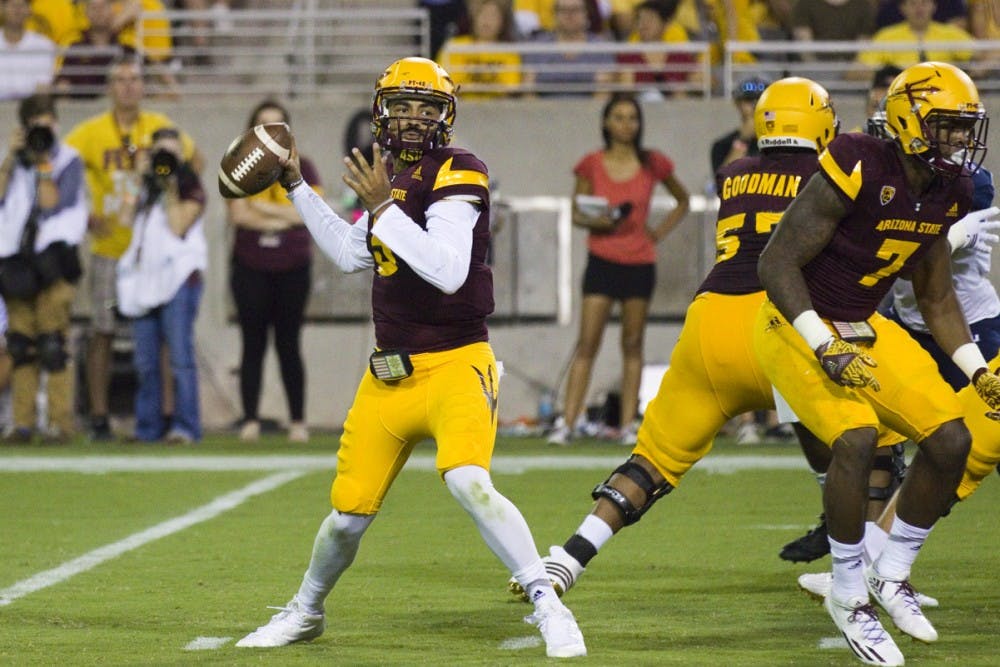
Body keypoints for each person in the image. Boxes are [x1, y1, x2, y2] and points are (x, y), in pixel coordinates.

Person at [236, 56, 587, 659]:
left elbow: (447, 271)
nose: (414, 118)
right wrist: (296, 186)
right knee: (347, 516)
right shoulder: (391, 178)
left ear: (446, 117)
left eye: (427, 107)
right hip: (390, 374)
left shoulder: (460, 168)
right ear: (382, 112)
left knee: (469, 481)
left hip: (456, 362)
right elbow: (352, 254)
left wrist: (381, 207)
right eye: (402, 106)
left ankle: (549, 604)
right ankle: (306, 611)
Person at [508, 77, 841, 611]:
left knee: (651, 461)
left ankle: (569, 558)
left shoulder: (734, 173)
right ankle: (869, 570)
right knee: (868, 448)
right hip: (782, 327)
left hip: (712, 323)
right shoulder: (831, 176)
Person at [753, 61, 1000, 666]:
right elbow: (776, 262)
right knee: (857, 438)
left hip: (865, 325)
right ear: (909, 120)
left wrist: (977, 371)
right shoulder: (858, 159)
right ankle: (847, 591)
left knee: (952, 439)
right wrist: (824, 343)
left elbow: (937, 298)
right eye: (947, 125)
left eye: (965, 126)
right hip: (794, 323)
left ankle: (890, 573)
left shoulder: (949, 189)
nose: (959, 139)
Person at [64, 54, 203, 441]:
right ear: (110, 87)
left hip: (156, 256)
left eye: (135, 79)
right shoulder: (91, 132)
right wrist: (82, 213)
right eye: (121, 80)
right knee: (103, 330)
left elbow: (196, 160)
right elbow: (62, 166)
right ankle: (99, 416)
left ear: (144, 86)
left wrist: (173, 176)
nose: (129, 86)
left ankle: (169, 417)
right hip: (111, 248)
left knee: (161, 343)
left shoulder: (159, 126)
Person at [547, 93, 689, 447]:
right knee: (587, 343)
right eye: (619, 117)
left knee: (633, 344)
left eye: (632, 118)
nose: (626, 124)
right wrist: (600, 221)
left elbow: (683, 200)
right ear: (606, 123)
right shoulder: (591, 164)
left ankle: (628, 425)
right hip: (602, 260)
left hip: (639, 263)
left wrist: (657, 233)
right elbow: (577, 213)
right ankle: (567, 423)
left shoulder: (653, 162)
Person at [226, 99, 322, 444]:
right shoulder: (239, 165)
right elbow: (239, 216)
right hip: (250, 265)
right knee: (252, 344)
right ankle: (250, 418)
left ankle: (298, 420)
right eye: (262, 124)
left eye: (276, 124)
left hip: (292, 267)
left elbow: (310, 215)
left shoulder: (303, 166)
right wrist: (285, 217)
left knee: (289, 343)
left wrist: (262, 210)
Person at [0, 93, 87, 443]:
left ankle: (59, 423)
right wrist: (10, 159)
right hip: (17, 262)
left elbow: (51, 203)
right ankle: (22, 424)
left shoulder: (68, 159)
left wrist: (42, 161)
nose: (43, 131)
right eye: (36, 125)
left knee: (53, 344)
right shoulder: (12, 160)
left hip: (53, 260)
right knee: (20, 345)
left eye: (48, 123)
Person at [114, 127, 205, 443]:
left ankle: (186, 427)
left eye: (171, 153)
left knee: (180, 359)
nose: (165, 159)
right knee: (145, 362)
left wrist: (170, 186)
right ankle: (148, 428)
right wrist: (136, 178)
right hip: (145, 281)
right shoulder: (145, 185)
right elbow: (123, 218)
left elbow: (178, 225)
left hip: (179, 279)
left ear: (182, 155)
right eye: (159, 153)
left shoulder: (190, 184)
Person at [848, 0, 974, 80]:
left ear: (934, 6)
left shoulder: (951, 33)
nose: (919, 9)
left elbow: (980, 55)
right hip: (901, 95)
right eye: (913, 3)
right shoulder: (886, 36)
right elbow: (855, 72)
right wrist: (890, 76)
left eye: (924, 3)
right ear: (902, 8)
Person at [522, 0, 615, 97]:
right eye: (563, 10)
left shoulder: (600, 47)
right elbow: (528, 91)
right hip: (542, 106)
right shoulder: (538, 47)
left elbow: (603, 93)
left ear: (586, 14)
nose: (570, 15)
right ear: (554, 15)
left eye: (576, 10)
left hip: (589, 106)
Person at [438, 0, 522, 99]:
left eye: (493, 17)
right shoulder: (455, 46)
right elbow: (445, 84)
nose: (487, 21)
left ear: (502, 22)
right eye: (483, 15)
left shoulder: (509, 52)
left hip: (498, 105)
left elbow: (511, 88)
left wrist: (472, 87)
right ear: (475, 18)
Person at [709, 75, 767, 176]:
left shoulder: (783, 141)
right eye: (749, 100)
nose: (755, 105)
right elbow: (724, 180)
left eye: (761, 100)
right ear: (737, 104)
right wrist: (743, 140)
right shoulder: (722, 145)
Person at [0, 0, 58, 101]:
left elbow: (43, 86)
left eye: (22, 5)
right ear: (2, 8)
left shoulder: (44, 45)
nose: (17, 10)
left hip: (31, 107)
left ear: (29, 10)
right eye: (12, 5)